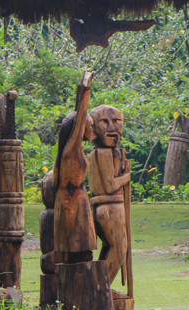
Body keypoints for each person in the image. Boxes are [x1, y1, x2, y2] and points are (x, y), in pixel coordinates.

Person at [53, 71, 97, 265]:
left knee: (77, 254)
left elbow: (79, 118)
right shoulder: (72, 150)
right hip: (73, 202)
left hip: (72, 200)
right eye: (91, 125)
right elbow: (80, 118)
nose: (93, 130)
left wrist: (81, 91)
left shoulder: (68, 152)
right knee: (78, 252)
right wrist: (86, 87)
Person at [87, 104, 132, 284]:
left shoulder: (106, 153)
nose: (112, 127)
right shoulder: (103, 154)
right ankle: (100, 289)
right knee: (120, 249)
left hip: (107, 206)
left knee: (111, 247)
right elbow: (110, 184)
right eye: (104, 122)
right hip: (109, 206)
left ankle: (99, 287)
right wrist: (126, 177)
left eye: (116, 121)